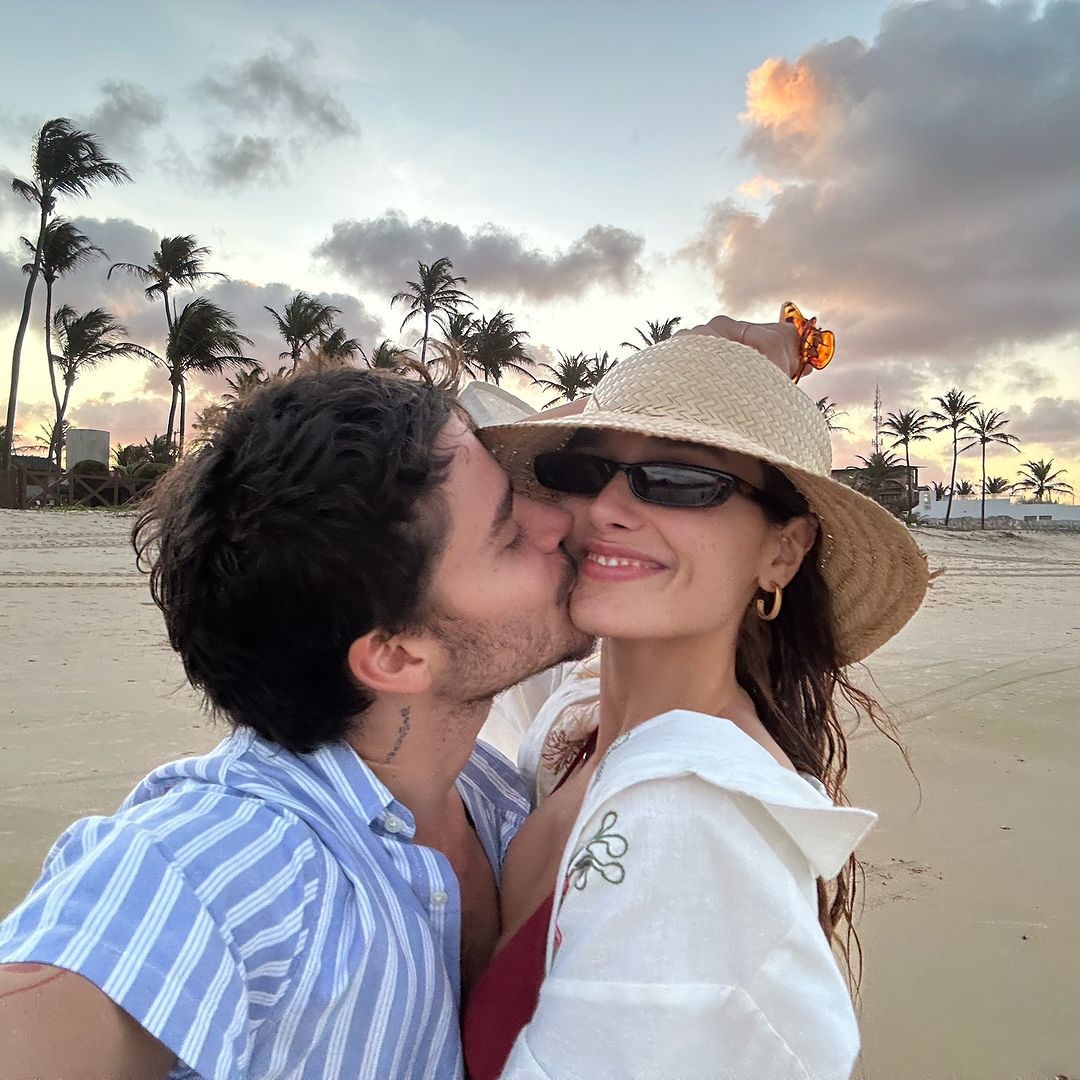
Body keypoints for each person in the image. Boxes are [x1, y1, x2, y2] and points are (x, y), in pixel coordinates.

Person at [0, 370, 593, 1079]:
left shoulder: (499, 795)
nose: (559, 522)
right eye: (510, 534)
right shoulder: (226, 859)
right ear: (397, 656)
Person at [464, 333, 930, 1078]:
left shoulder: (695, 823)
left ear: (782, 552)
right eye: (583, 471)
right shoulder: (582, 724)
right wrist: (698, 355)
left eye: (680, 481)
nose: (606, 508)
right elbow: (443, 464)